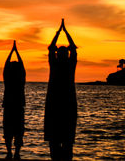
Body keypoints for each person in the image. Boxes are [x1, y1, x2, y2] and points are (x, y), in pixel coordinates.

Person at [45, 19, 78, 161]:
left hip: (58, 101)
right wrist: (64, 32)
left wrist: (59, 32)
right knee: (64, 138)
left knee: (60, 138)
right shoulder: (68, 64)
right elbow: (73, 48)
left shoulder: (58, 63)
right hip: (63, 101)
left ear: (59, 54)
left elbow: (52, 48)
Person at [3, 40, 26, 159]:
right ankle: (15, 153)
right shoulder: (21, 79)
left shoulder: (8, 79)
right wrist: (16, 52)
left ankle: (10, 152)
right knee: (17, 132)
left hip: (10, 107)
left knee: (10, 132)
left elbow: (6, 66)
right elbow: (21, 66)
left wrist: (12, 51)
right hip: (16, 107)